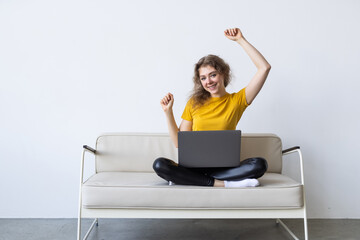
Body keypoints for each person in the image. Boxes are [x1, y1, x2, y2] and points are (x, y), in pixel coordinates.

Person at [153, 27, 271, 187]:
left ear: (223, 74)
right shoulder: (194, 102)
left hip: (224, 168)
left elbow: (264, 68)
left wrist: (240, 40)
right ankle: (223, 184)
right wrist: (168, 113)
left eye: (213, 75)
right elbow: (179, 143)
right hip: (194, 168)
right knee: (160, 165)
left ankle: (196, 181)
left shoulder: (237, 100)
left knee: (259, 164)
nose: (208, 81)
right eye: (203, 78)